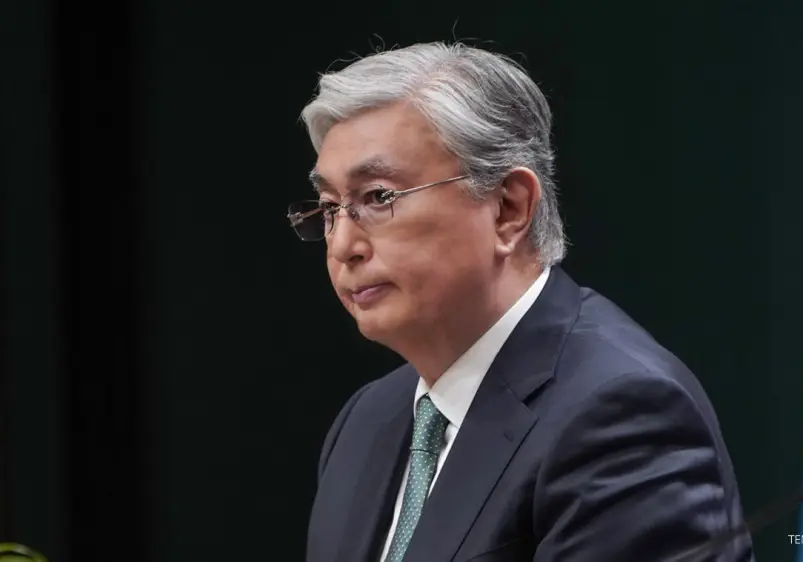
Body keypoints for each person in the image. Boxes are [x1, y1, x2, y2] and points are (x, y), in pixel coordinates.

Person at [289, 41, 755, 562]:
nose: (342, 246)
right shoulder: (368, 421)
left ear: (508, 208)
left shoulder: (619, 414)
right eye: (329, 207)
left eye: (378, 197)